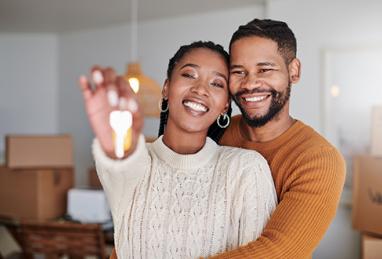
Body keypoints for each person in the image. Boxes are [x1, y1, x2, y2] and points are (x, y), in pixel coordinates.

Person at [79, 41, 277, 259]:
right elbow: (120, 159)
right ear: (166, 88)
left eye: (217, 84)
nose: (200, 89)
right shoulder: (137, 163)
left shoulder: (246, 169)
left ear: (225, 106)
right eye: (189, 75)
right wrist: (115, 135)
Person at [207, 19, 346, 258]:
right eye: (238, 72)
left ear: (294, 71)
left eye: (265, 69)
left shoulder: (319, 160)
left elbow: (278, 252)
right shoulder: (213, 132)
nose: (250, 84)